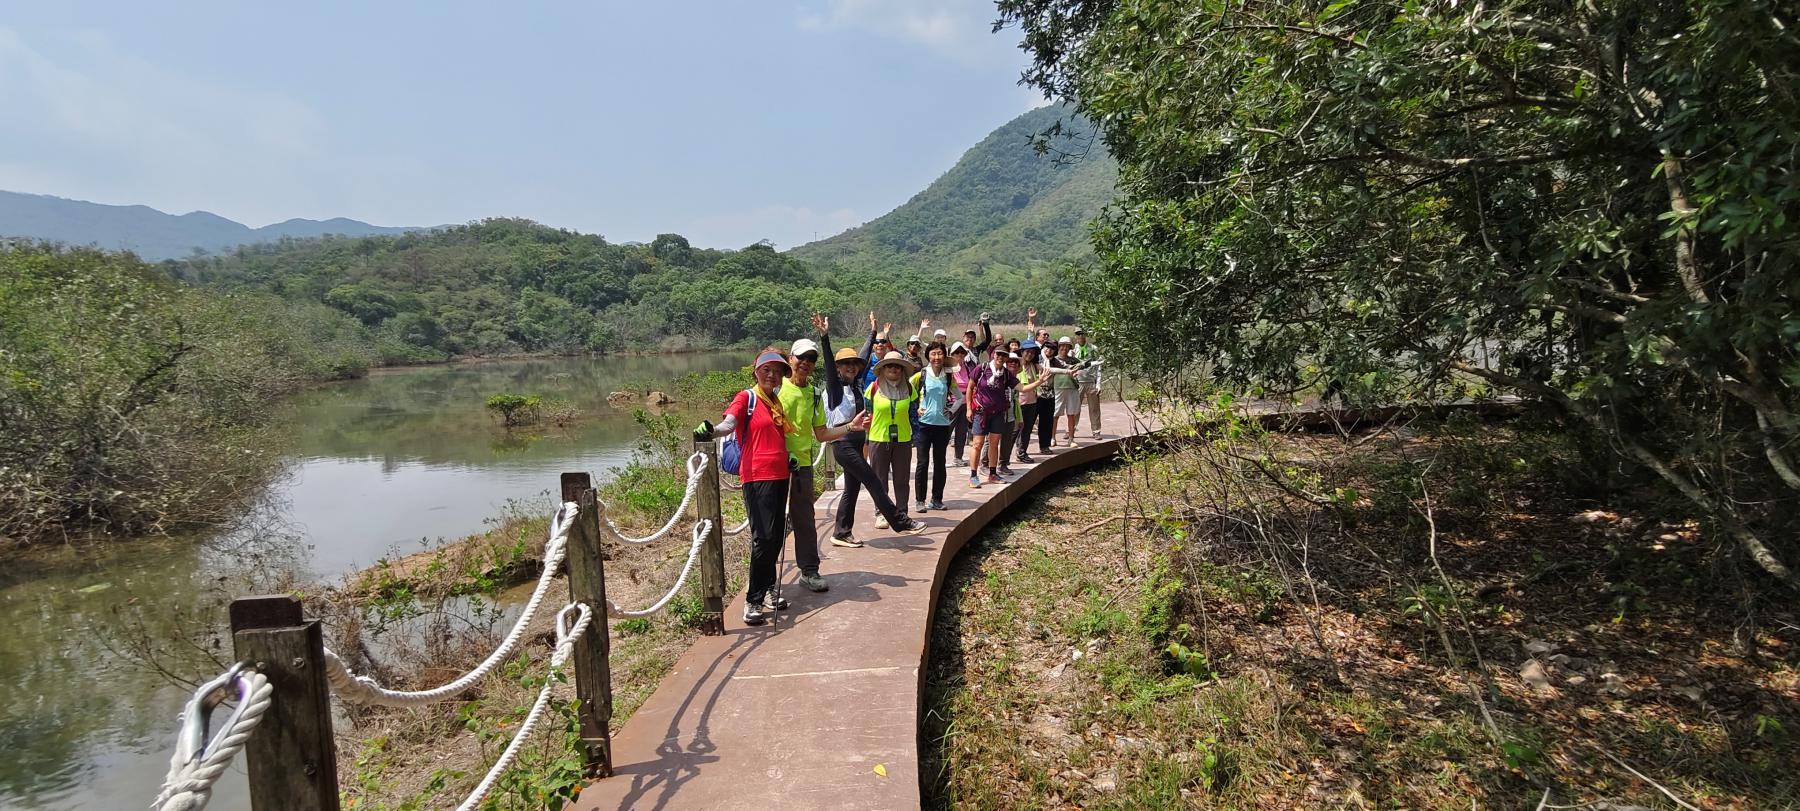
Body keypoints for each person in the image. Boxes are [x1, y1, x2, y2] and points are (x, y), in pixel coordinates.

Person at [695, 348, 865, 626]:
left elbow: (784, 439)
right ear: (756, 371)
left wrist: (790, 459)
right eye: (767, 370)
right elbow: (729, 424)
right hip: (756, 477)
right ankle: (753, 599)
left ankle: (767, 591)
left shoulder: (776, 403)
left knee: (774, 537)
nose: (772, 375)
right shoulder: (747, 398)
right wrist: (711, 430)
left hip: (782, 475)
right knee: (762, 538)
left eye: (777, 371)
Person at [815, 315, 923, 546]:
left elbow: (863, 356)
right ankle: (899, 521)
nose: (851, 367)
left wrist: (873, 332)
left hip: (856, 442)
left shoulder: (855, 384)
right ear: (838, 368)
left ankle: (841, 533)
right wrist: (824, 337)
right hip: (842, 443)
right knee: (873, 479)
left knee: (852, 489)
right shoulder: (835, 388)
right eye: (845, 364)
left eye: (853, 364)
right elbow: (829, 364)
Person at [864, 351, 919, 529]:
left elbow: (913, 414)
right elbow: (867, 414)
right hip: (878, 438)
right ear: (883, 369)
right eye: (889, 365)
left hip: (903, 439)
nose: (893, 369)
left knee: (901, 480)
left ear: (902, 369)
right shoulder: (873, 388)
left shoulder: (909, 389)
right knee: (879, 480)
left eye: (897, 366)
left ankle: (902, 513)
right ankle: (881, 513)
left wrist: (917, 437)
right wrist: (865, 439)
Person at [965, 343, 1018, 487]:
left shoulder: (1006, 374)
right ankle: (973, 475)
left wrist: (1040, 381)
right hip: (981, 412)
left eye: (1004, 355)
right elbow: (970, 387)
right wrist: (969, 408)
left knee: (994, 444)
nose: (1000, 357)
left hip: (998, 413)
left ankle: (993, 474)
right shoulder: (982, 368)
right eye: (998, 354)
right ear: (993, 355)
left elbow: (1022, 388)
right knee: (977, 444)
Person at [913, 343, 955, 512]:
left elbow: (959, 397)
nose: (936, 357)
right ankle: (920, 500)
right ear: (928, 356)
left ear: (944, 356)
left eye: (939, 354)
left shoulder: (948, 376)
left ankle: (936, 499)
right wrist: (915, 408)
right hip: (923, 425)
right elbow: (907, 391)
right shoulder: (921, 375)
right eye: (933, 354)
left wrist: (951, 410)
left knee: (940, 463)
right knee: (922, 463)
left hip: (942, 425)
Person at [1014, 341, 1046, 463]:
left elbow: (1049, 370)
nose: (1030, 354)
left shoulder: (1034, 366)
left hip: (1031, 403)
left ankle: (1022, 453)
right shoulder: (1015, 363)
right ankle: (1003, 458)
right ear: (1022, 352)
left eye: (1032, 352)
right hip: (1018, 403)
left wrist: (1068, 371)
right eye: (1027, 351)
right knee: (1014, 431)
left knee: (1026, 430)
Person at [1049, 337, 1083, 446]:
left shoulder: (1074, 360)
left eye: (1067, 346)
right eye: (1062, 345)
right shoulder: (1053, 360)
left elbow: (1081, 368)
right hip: (1057, 388)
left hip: (1072, 388)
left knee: (1071, 414)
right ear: (1059, 347)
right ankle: (1052, 437)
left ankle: (1071, 439)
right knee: (1055, 414)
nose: (1064, 348)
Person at [1072, 327, 1103, 438]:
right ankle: (1071, 429)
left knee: (1094, 408)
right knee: (1075, 407)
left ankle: (1096, 431)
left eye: (1082, 333)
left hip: (1091, 381)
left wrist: (1098, 383)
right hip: (1078, 382)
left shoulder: (1093, 348)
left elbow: (1099, 365)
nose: (1080, 336)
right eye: (1078, 334)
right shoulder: (1073, 350)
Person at [949, 342, 975, 467]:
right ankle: (939, 457)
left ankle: (958, 457)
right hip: (952, 403)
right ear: (952, 354)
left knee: (961, 431)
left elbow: (972, 385)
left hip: (965, 403)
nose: (959, 355)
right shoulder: (948, 369)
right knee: (947, 430)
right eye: (956, 353)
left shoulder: (968, 368)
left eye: (962, 352)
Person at [997, 352, 1023, 476]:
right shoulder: (999, 376)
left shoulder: (1015, 381)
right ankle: (985, 464)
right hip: (997, 413)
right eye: (1010, 361)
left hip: (1011, 414)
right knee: (991, 440)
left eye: (1016, 362)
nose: (1013, 364)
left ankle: (1003, 464)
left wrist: (1020, 418)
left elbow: (1015, 401)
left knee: (1007, 440)